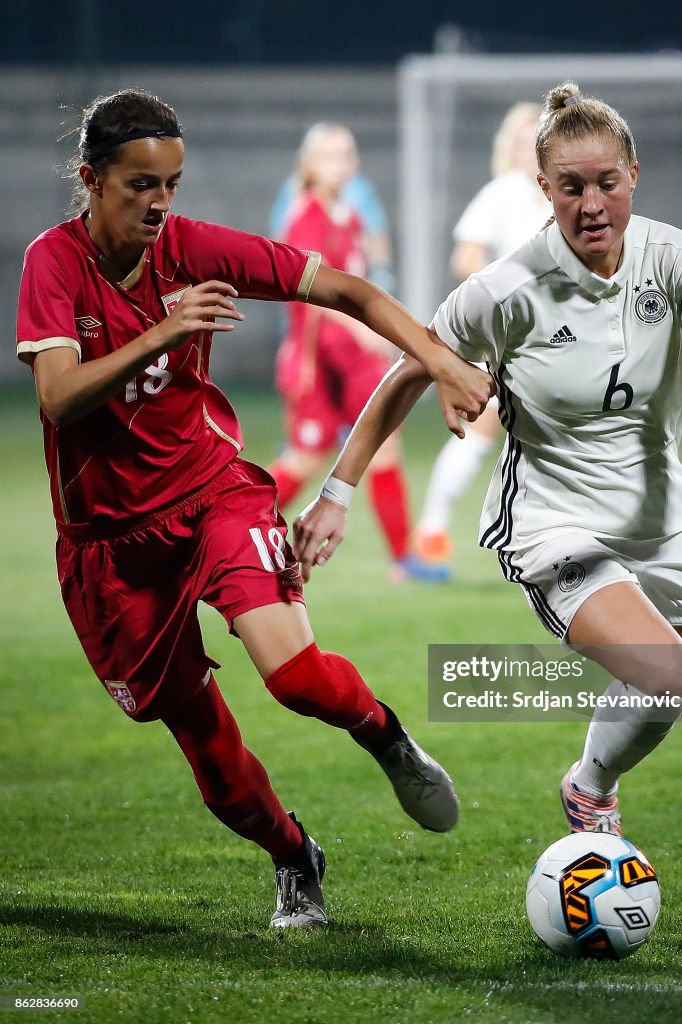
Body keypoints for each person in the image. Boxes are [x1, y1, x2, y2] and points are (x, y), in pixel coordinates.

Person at [294, 81, 682, 939]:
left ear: (635, 175)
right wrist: (336, 493)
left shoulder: (676, 257)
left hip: (665, 516)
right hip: (554, 521)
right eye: (570, 186)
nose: (591, 203)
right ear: (544, 190)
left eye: (607, 182)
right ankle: (590, 787)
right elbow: (404, 375)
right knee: (663, 674)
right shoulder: (506, 288)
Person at [15, 89, 494, 932]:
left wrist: (443, 363)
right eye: (139, 185)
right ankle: (293, 856)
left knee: (296, 675)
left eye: (173, 183)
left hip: (210, 498)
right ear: (90, 179)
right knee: (207, 746)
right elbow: (58, 399)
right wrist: (162, 334)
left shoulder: (195, 248)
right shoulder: (52, 264)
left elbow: (347, 289)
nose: (161, 204)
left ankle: (385, 735)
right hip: (108, 548)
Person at [267, 123, 446, 582]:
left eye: (346, 154)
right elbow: (315, 295)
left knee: (385, 447)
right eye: (328, 155)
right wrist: (366, 329)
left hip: (351, 360)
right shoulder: (306, 215)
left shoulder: (349, 216)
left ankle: (402, 559)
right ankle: (227, 532)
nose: (340, 163)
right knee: (305, 457)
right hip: (320, 361)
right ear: (308, 165)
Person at [415, 102, 548, 570]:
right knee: (483, 428)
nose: (532, 152)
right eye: (524, 143)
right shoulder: (502, 194)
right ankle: (432, 531)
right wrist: (510, 284)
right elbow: (465, 259)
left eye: (540, 142)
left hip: (563, 334)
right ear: (509, 150)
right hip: (512, 336)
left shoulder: (563, 197)